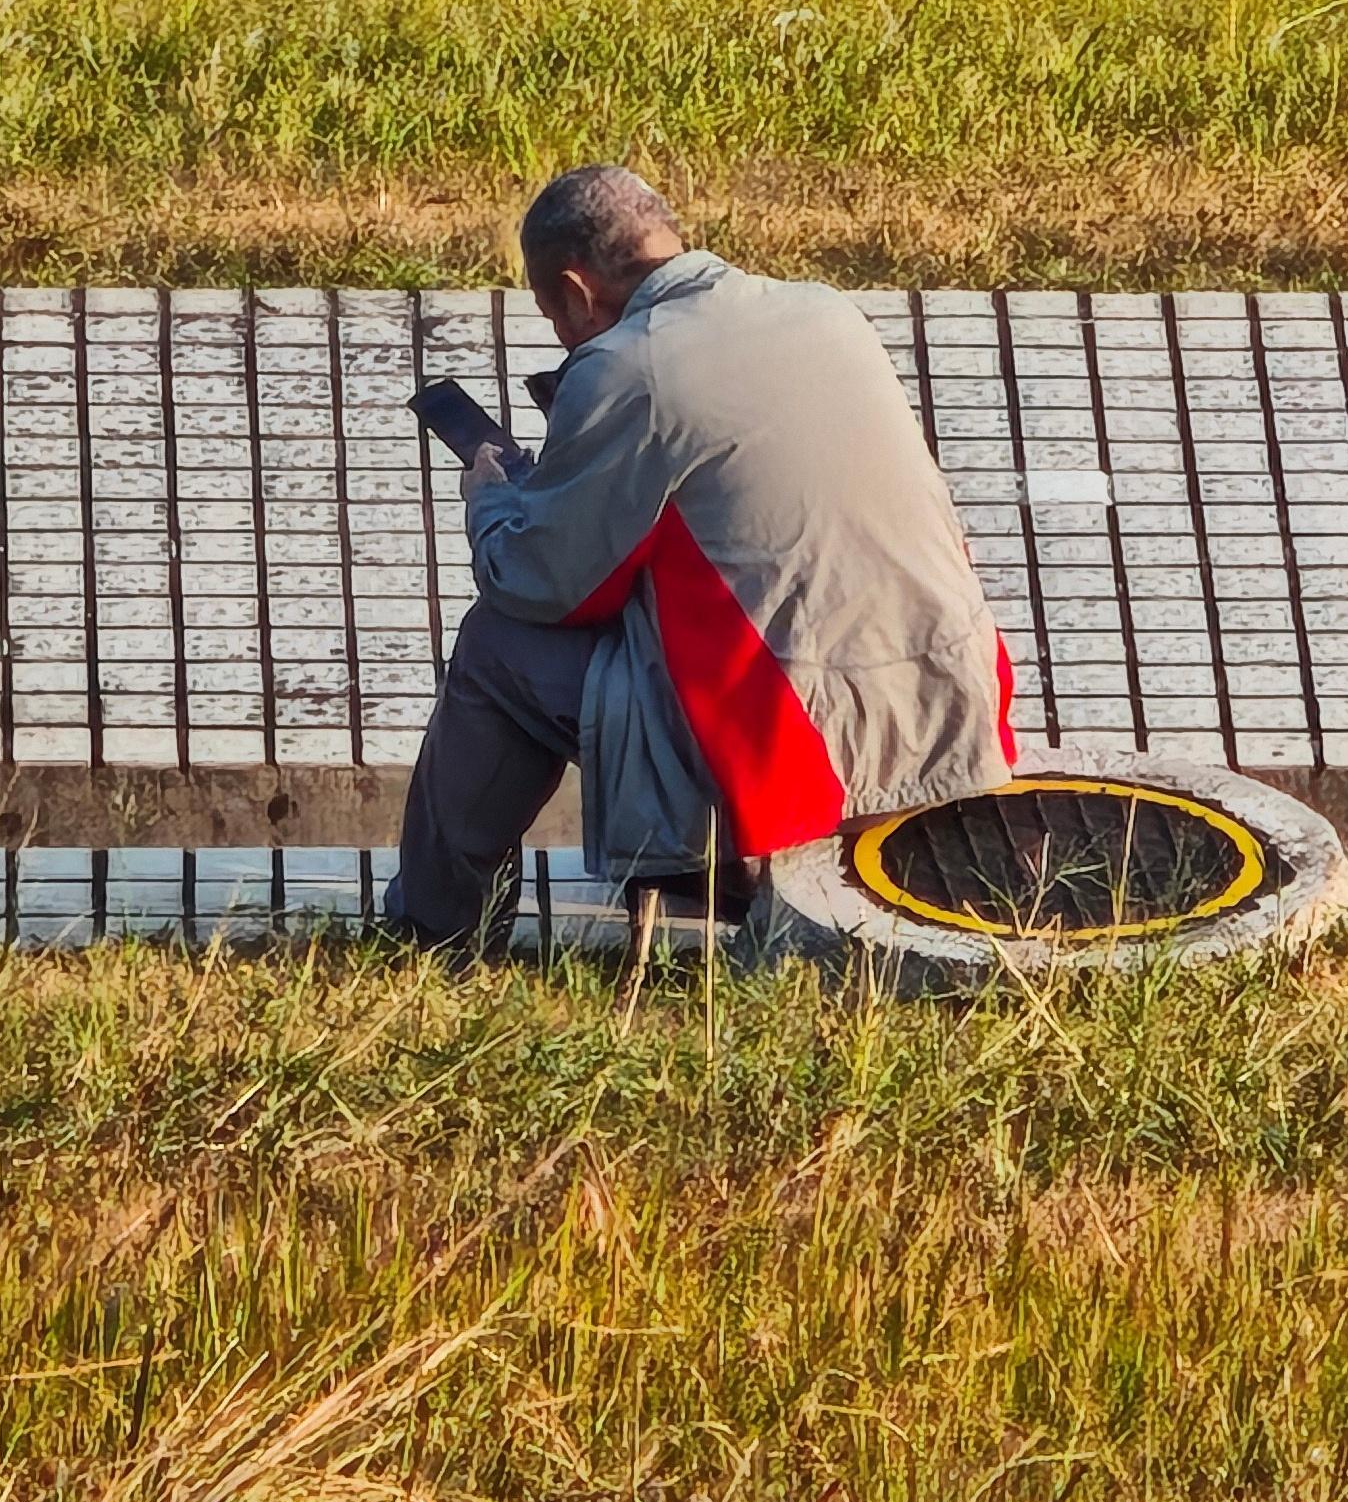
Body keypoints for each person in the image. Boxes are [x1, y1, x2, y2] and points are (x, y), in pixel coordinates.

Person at [383, 167, 1019, 957]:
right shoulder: (826, 311)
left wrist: (493, 499)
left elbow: (545, 585)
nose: (568, 336)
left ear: (578, 292)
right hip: (949, 711)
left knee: (495, 648)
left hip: (806, 748)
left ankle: (436, 932)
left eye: (556, 316)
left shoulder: (627, 369)